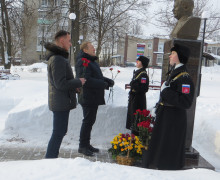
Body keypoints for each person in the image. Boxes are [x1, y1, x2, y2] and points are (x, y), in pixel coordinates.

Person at [145, 43, 195, 170]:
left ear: (179, 56)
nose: (170, 56)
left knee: (169, 144)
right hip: (167, 115)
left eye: (173, 53)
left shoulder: (184, 77)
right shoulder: (175, 72)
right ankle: (160, 164)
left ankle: (168, 169)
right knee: (163, 142)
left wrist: (166, 91)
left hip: (174, 118)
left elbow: (185, 102)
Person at [44, 30, 86, 158]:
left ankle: (51, 157)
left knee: (60, 131)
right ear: (62, 41)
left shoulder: (59, 57)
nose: (71, 44)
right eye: (69, 41)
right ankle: (50, 159)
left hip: (61, 100)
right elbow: (60, 84)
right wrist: (78, 81)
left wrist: (74, 87)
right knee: (58, 132)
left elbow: (62, 82)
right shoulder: (57, 59)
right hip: (60, 101)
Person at [76, 41, 114, 156]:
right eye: (91, 47)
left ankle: (86, 144)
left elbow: (96, 76)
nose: (94, 49)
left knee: (90, 121)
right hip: (87, 96)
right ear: (85, 50)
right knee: (87, 121)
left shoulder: (91, 61)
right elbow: (86, 80)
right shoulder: (83, 61)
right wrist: (103, 84)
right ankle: (82, 146)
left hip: (92, 96)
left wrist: (107, 80)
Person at [126, 56, 149, 135]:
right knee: (133, 119)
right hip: (134, 99)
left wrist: (133, 84)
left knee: (137, 120)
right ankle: (134, 137)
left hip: (138, 101)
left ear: (142, 63)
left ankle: (136, 139)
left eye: (138, 61)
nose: (136, 62)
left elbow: (144, 89)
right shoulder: (138, 72)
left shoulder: (143, 75)